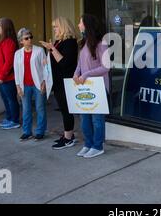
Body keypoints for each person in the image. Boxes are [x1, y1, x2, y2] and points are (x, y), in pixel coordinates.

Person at [74, 14, 110, 158]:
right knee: (84, 119)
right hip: (85, 87)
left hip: (98, 88)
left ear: (87, 25)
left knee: (97, 119)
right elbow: (79, 63)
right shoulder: (83, 43)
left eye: (80, 22)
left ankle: (97, 146)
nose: (78, 25)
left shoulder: (102, 44)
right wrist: (76, 73)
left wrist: (87, 74)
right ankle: (88, 144)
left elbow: (106, 67)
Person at [40, 17, 79, 150]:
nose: (54, 29)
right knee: (63, 109)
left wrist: (52, 49)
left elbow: (64, 63)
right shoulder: (58, 42)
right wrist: (47, 61)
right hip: (57, 81)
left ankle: (69, 138)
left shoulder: (70, 42)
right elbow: (54, 61)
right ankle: (67, 135)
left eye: (56, 26)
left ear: (63, 27)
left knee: (66, 109)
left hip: (65, 81)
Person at [14, 28, 47, 141]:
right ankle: (27, 131)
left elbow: (45, 68)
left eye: (30, 37)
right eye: (26, 38)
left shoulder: (39, 50)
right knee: (26, 109)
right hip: (24, 85)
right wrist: (18, 86)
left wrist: (44, 82)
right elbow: (16, 71)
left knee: (40, 108)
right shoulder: (18, 54)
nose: (29, 40)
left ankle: (40, 131)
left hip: (38, 84)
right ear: (21, 41)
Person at [0, 18, 20, 130]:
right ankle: (9, 117)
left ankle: (14, 120)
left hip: (8, 78)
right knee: (6, 99)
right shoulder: (4, 41)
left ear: (5, 27)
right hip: (4, 78)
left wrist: (2, 76)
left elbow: (9, 62)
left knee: (11, 99)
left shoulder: (9, 42)